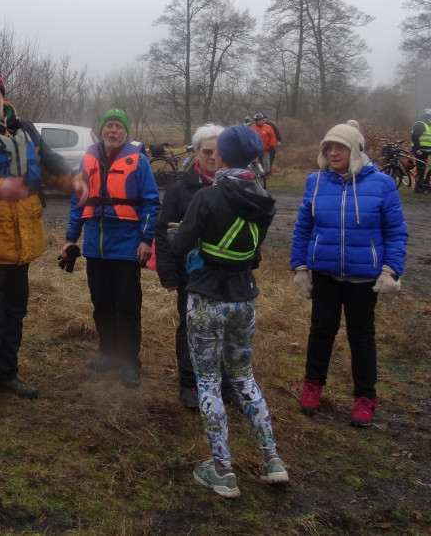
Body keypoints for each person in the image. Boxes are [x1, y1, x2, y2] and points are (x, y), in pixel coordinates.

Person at [0, 68, 88, 420]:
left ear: (2, 95)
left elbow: (51, 165)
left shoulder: (24, 128)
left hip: (23, 242)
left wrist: (73, 182)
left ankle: (6, 373)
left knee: (14, 313)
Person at [169, 124, 288, 498]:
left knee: (207, 382)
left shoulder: (208, 196)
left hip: (207, 298)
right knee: (243, 377)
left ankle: (222, 471)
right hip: (244, 299)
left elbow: (180, 244)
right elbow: (252, 253)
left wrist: (176, 233)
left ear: (221, 154)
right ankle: (272, 460)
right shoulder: (263, 197)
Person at [291, 123, 407, 428]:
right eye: (328, 147)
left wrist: (391, 270)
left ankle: (365, 397)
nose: (332, 153)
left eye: (339, 147)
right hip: (325, 274)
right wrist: (299, 267)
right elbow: (303, 228)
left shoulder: (382, 185)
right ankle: (312, 385)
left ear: (355, 150)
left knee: (361, 336)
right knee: (321, 331)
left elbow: (396, 232)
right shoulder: (315, 182)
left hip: (363, 279)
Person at [62, 108, 160, 389]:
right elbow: (78, 201)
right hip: (96, 247)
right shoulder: (89, 159)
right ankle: (108, 353)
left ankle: (129, 362)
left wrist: (146, 239)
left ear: (125, 132)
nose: (113, 130)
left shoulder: (138, 161)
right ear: (102, 129)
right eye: (109, 126)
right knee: (102, 304)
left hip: (127, 248)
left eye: (118, 126)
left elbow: (151, 203)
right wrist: (71, 238)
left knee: (127, 307)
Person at [155, 123, 235, 408]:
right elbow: (163, 230)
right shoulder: (180, 189)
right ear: (197, 153)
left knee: (225, 328)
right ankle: (189, 383)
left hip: (227, 274)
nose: (213, 157)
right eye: (207, 152)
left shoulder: (235, 187)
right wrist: (167, 272)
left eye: (218, 152)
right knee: (190, 327)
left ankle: (226, 384)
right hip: (191, 274)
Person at [410, 108, 431, 190]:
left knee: (423, 167)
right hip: (420, 149)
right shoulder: (420, 124)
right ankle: (419, 187)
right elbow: (414, 137)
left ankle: (424, 184)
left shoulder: (428, 125)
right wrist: (418, 149)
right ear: (428, 117)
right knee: (420, 168)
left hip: (426, 149)